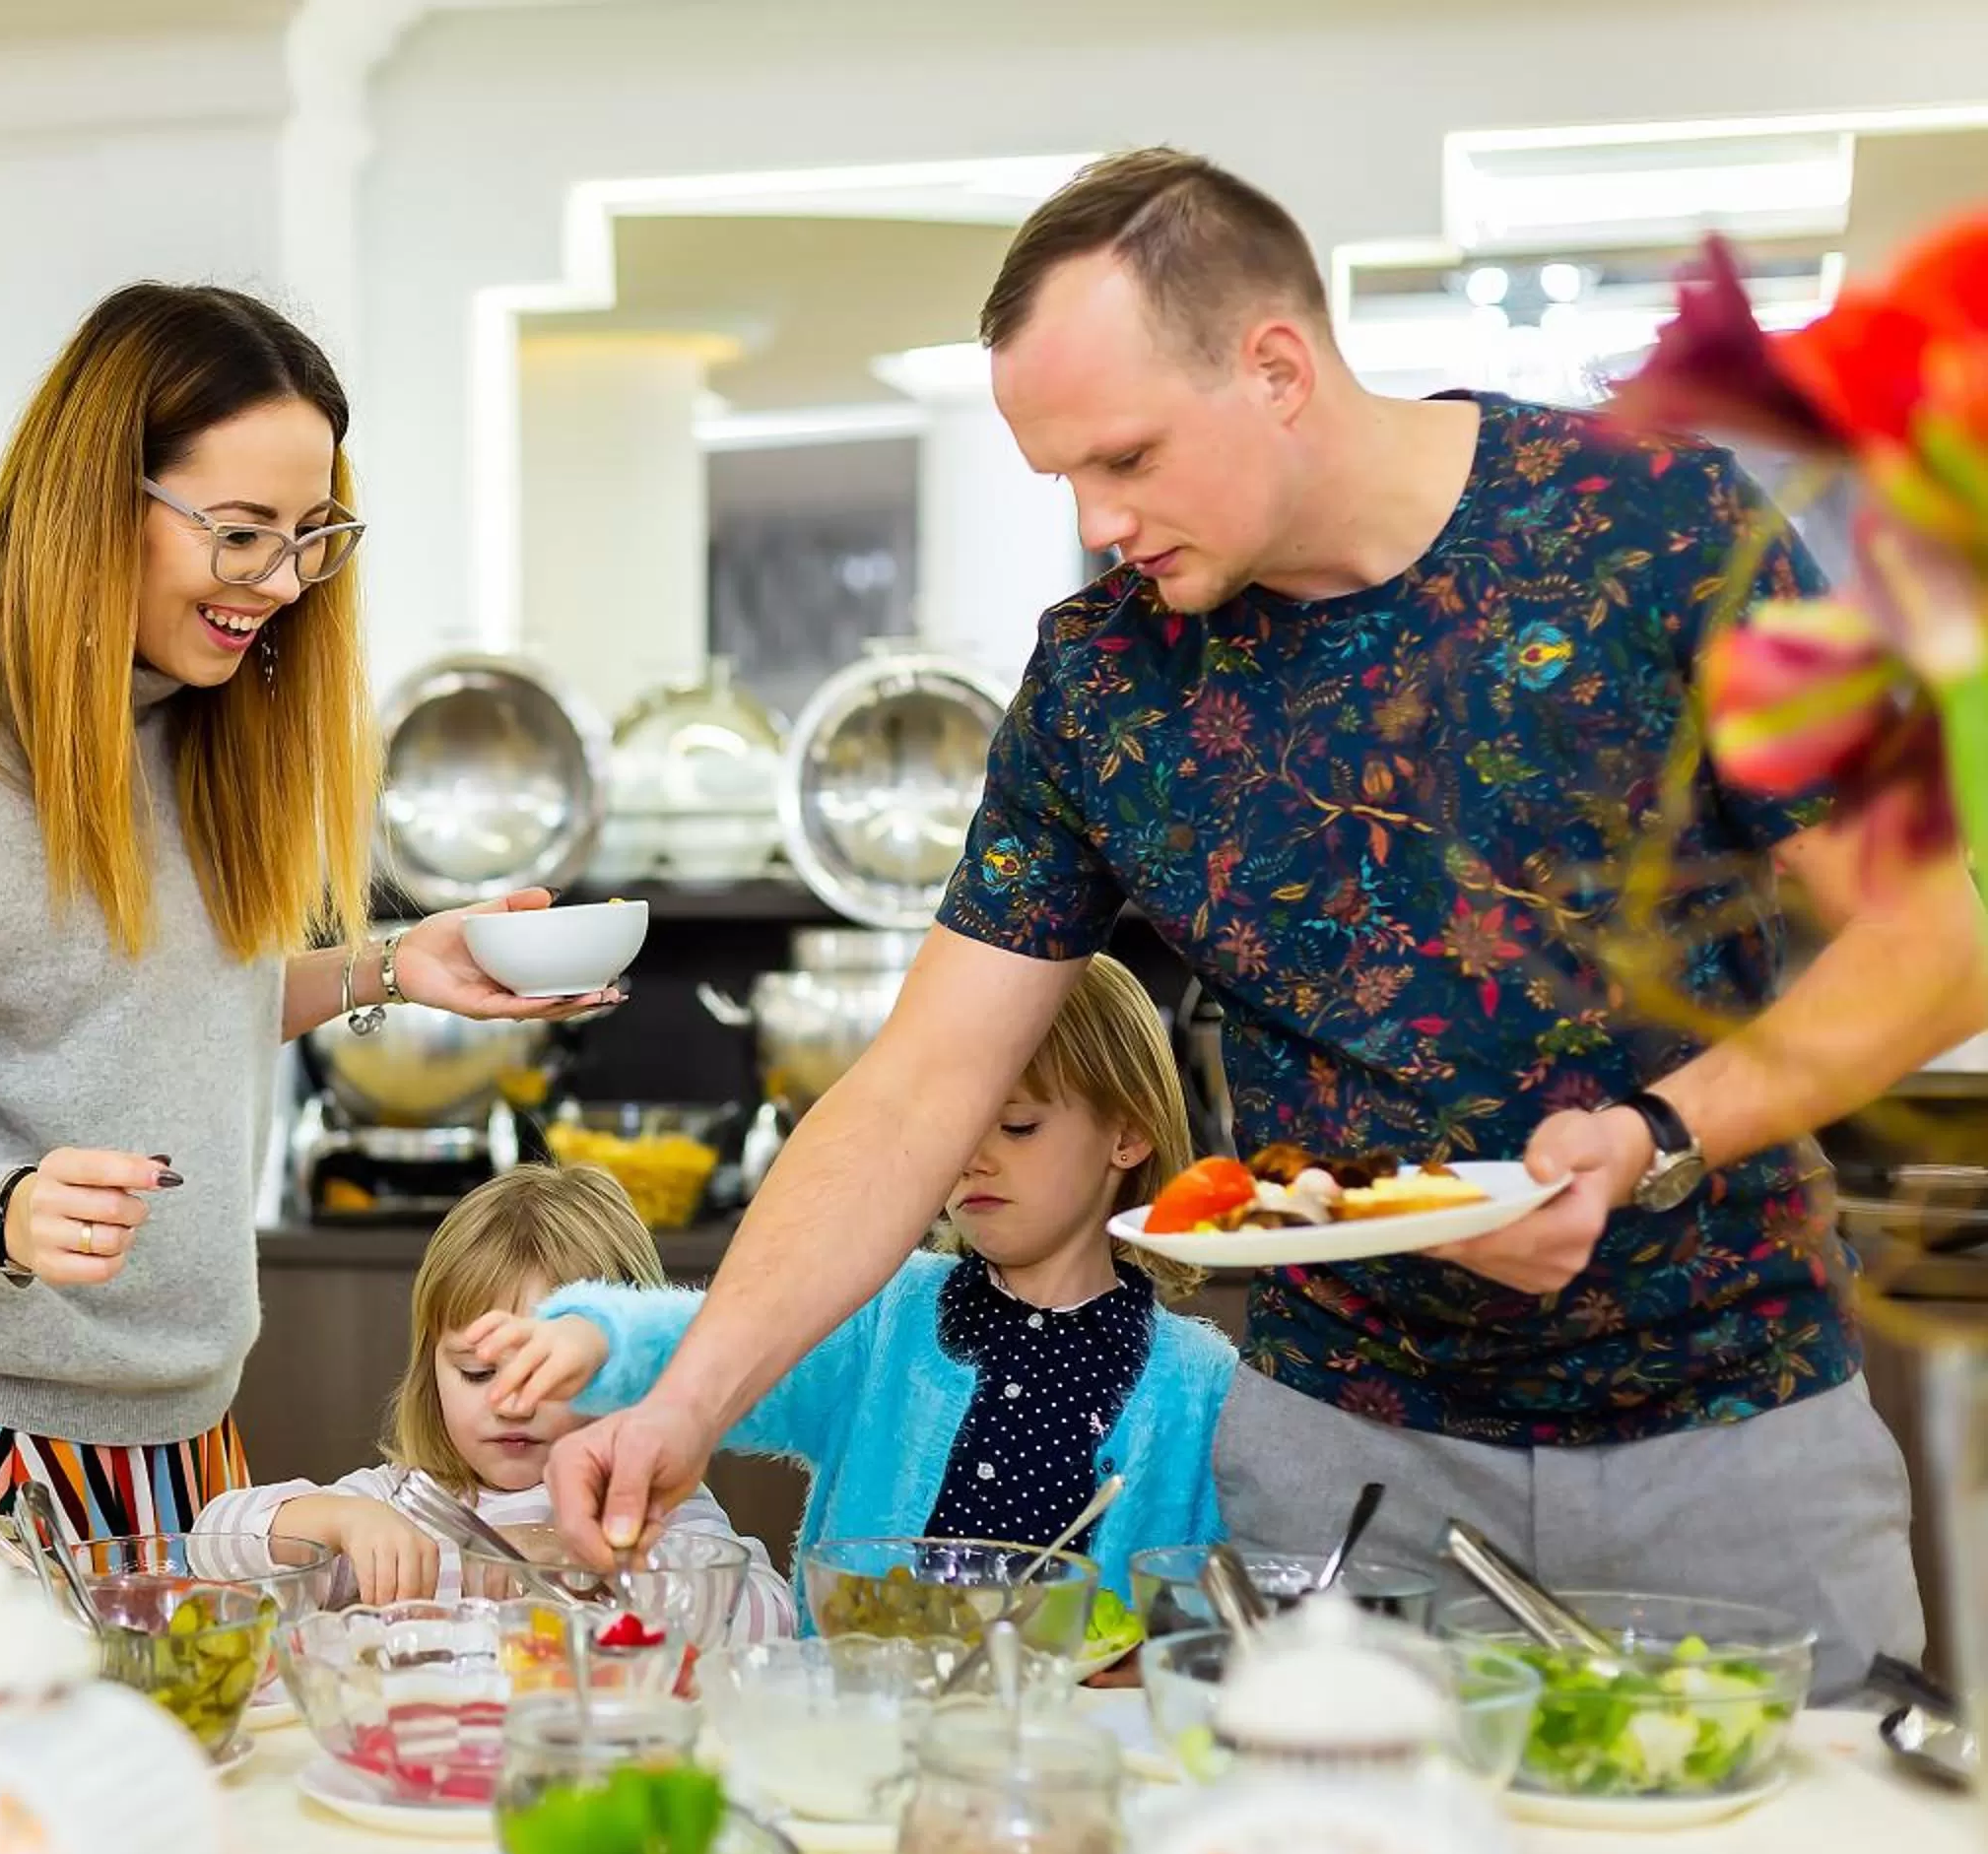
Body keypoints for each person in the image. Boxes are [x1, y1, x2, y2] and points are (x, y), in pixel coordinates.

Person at [547, 150, 1988, 1698]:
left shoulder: (1660, 527)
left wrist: (1657, 1130)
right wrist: (688, 1401)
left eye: (1130, 459)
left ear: (1277, 368)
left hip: (1726, 1433)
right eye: (1067, 483)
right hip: (1340, 1472)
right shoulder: (1101, 682)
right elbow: (915, 1091)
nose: (1101, 524)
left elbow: (1935, 940)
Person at [0, 283, 609, 1540]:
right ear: (104, 498)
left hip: (188, 1429)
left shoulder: (196, 721)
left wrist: (385, 967)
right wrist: (2, 1211)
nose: (281, 581)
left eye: (315, 534)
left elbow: (138, 1013)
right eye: (242, 531)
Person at [467, 956, 1229, 1614]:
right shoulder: (881, 1313)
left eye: (1017, 1126)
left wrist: (1166, 1641)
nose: (971, 1158)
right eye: (953, 1130)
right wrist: (599, 1337)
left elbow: (1220, 1598)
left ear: (1128, 1134)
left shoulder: (1202, 1385)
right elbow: (714, 1349)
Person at [198, 1163, 797, 1636]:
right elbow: (210, 1544)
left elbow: (776, 1618)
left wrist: (612, 1573)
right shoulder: (408, 1501)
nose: (510, 1404)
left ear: (627, 1369)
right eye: (478, 1373)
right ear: (432, 1373)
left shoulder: (651, 1510)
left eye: (543, 1375)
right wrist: (338, 1521)